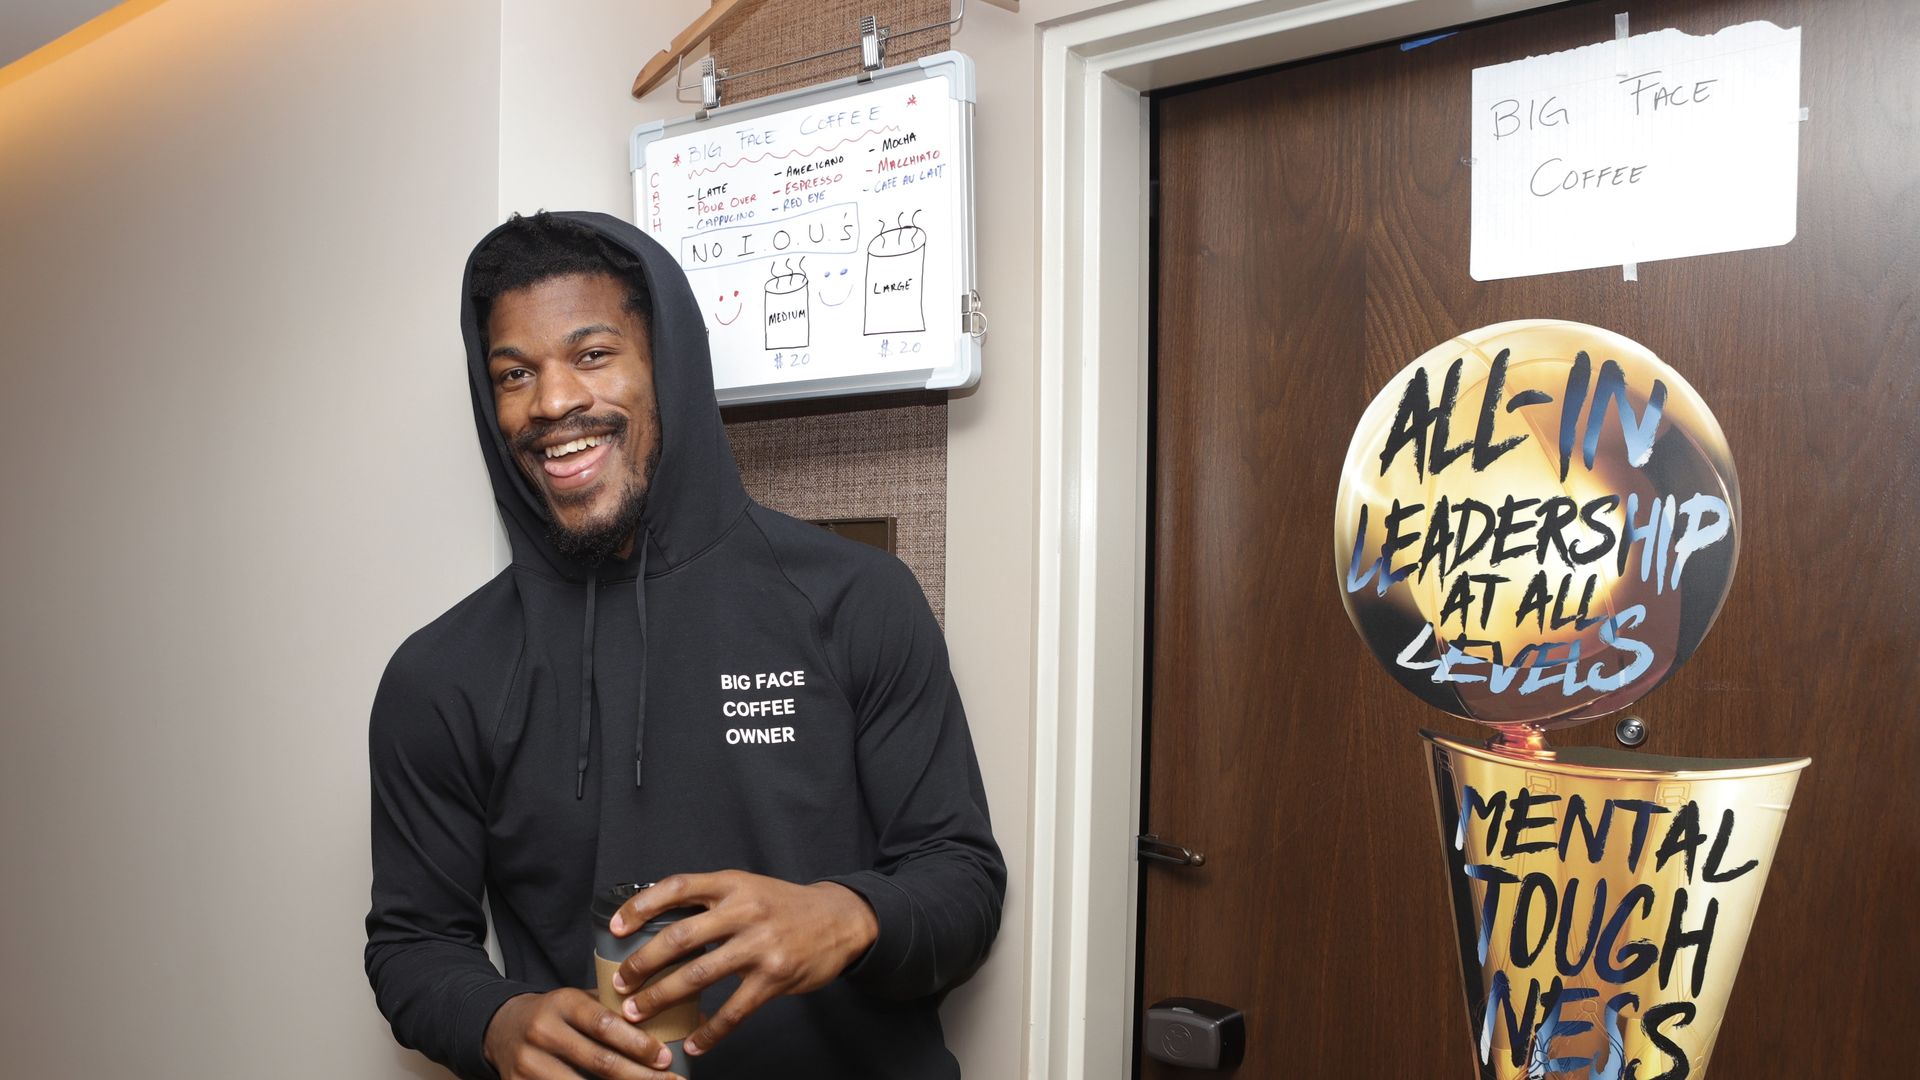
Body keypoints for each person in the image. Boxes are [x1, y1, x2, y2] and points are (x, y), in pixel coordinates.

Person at [365, 211, 1005, 1080]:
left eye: (592, 355)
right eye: (516, 373)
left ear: (667, 366)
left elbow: (962, 881)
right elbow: (412, 945)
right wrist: (498, 1019)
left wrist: (850, 915)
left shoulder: (855, 599)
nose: (552, 402)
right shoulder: (441, 675)